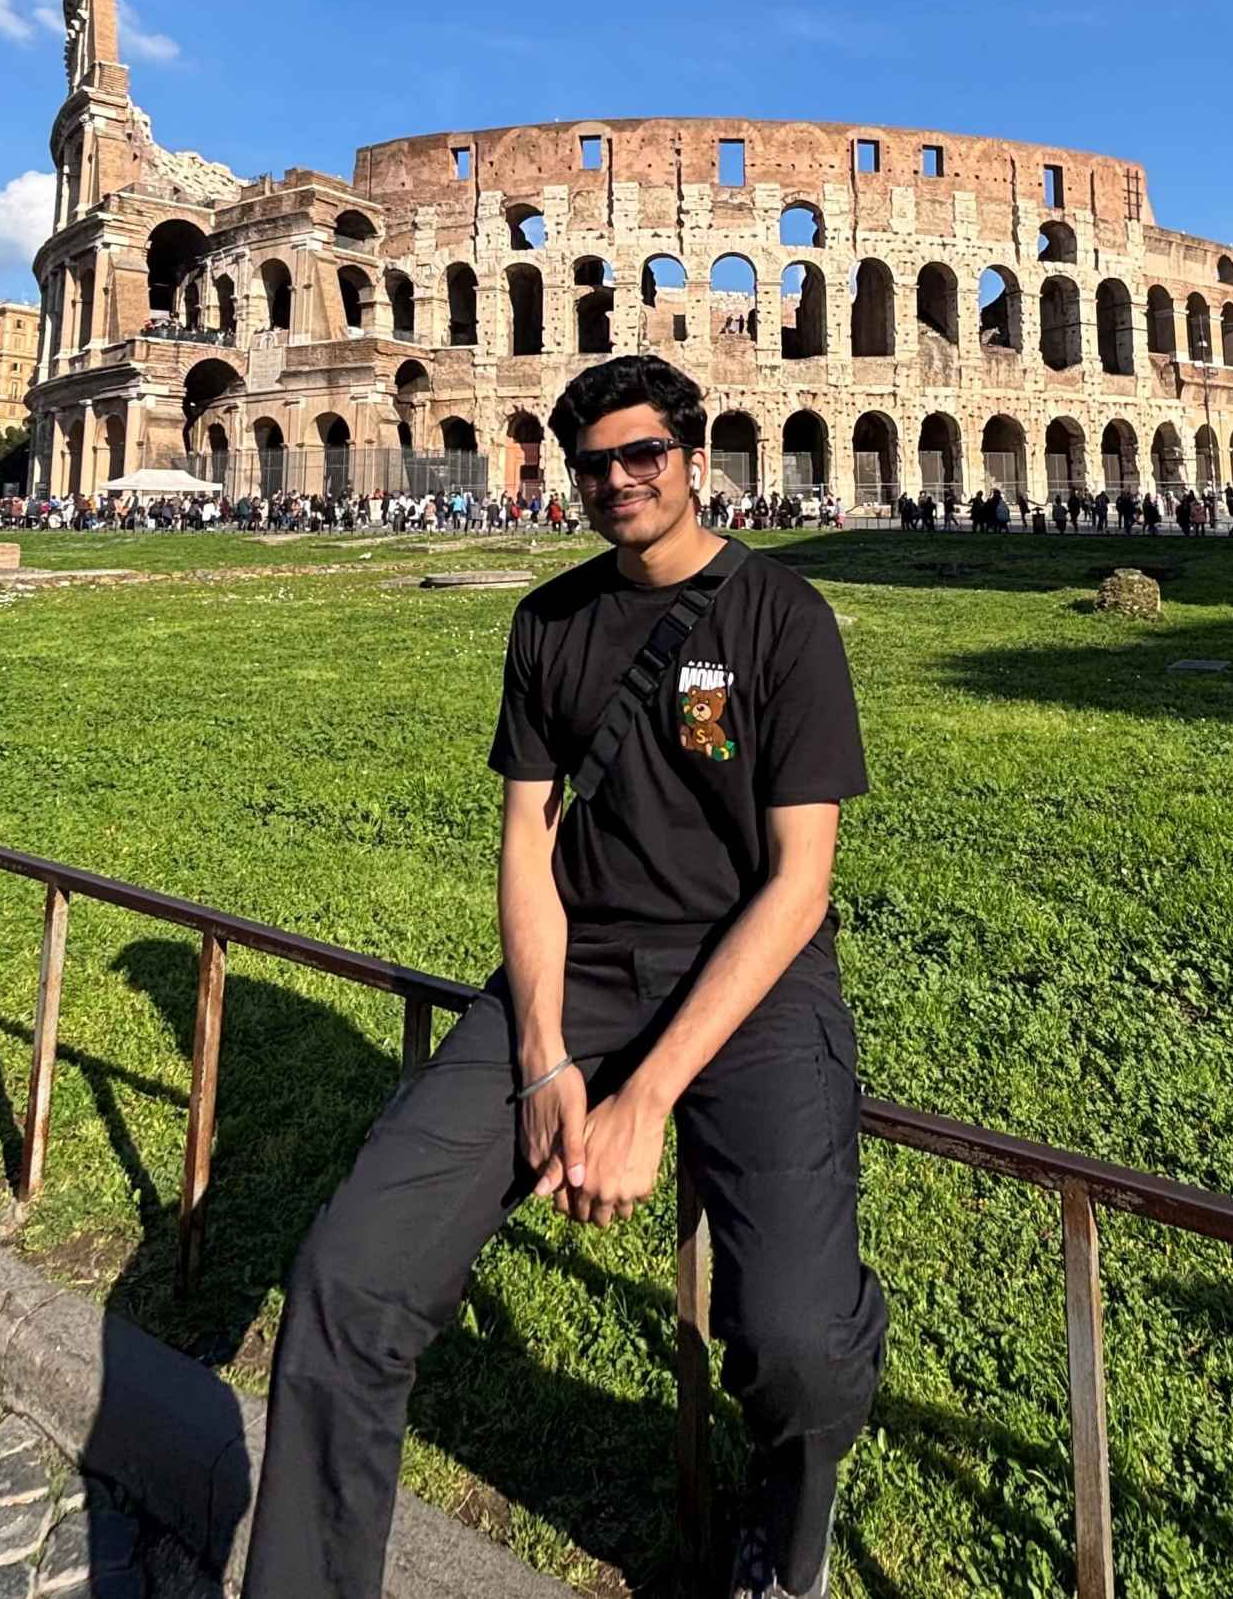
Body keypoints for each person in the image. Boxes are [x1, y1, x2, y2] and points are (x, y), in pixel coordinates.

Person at [242, 356, 885, 1599]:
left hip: (752, 977)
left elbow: (799, 881)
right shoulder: (547, 622)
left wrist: (643, 1096)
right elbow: (526, 850)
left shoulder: (781, 616)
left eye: (643, 453)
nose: (617, 480)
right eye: (592, 463)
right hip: (574, 968)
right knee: (347, 1278)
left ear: (694, 454)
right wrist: (543, 1060)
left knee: (801, 1344)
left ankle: (784, 1535)